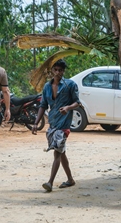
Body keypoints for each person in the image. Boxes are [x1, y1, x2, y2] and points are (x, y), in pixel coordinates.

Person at [32, 59, 80, 192]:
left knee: (57, 153)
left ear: (63, 71)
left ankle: (50, 182)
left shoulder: (70, 85)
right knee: (61, 151)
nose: (58, 72)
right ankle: (70, 179)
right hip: (52, 123)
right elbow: (43, 106)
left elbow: (77, 103)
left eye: (60, 70)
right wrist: (36, 123)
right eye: (56, 70)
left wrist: (68, 108)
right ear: (52, 71)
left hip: (64, 124)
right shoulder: (47, 87)